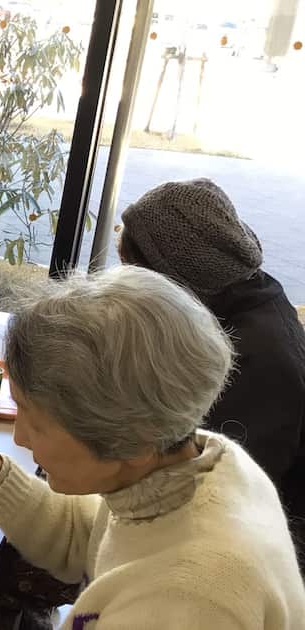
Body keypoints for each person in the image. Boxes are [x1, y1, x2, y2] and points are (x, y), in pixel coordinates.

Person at [0, 266, 305, 630]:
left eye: (35, 419)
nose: (22, 438)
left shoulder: (191, 598)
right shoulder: (195, 462)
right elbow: (90, 539)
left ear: (129, 439)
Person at [117, 178, 305, 545]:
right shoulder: (247, 296)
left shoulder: (252, 363)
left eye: (136, 274)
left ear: (174, 277)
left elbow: (209, 493)